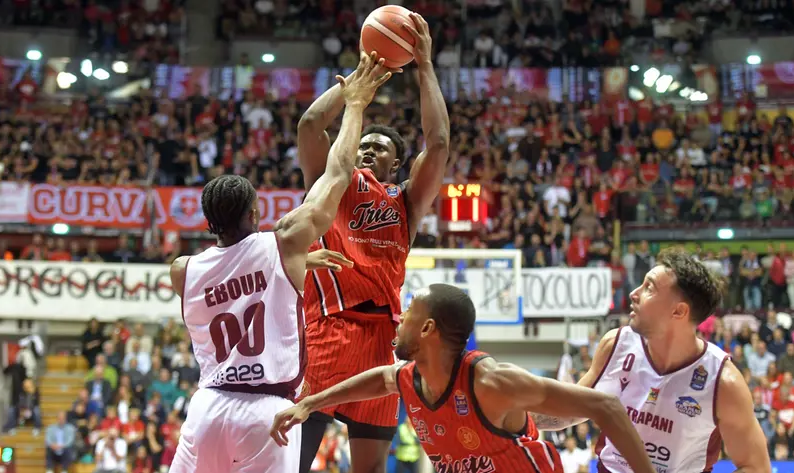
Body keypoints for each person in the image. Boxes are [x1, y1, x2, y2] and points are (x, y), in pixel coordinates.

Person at [166, 52, 393, 473]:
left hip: (207, 408)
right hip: (266, 410)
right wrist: (356, 104)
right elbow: (339, 172)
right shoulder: (284, 241)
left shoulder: (183, 270)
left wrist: (299, 263)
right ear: (254, 215)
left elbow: (235, 274)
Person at [271, 284, 657, 473]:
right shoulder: (411, 378)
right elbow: (378, 380)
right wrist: (310, 403)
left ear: (428, 330)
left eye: (408, 313)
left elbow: (604, 405)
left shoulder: (491, 381)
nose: (399, 318)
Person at [296, 12, 452, 473]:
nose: (368, 149)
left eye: (380, 147)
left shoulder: (405, 201)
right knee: (295, 461)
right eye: (364, 143)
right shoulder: (332, 182)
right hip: (328, 328)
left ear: (396, 164)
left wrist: (424, 65)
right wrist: (356, 91)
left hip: (383, 336)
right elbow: (309, 125)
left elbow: (439, 142)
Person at [533, 248, 771, 473]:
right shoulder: (615, 344)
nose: (634, 293)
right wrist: (507, 416)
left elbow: (756, 466)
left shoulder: (723, 382)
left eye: (649, 288)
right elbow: (572, 410)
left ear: (678, 311)